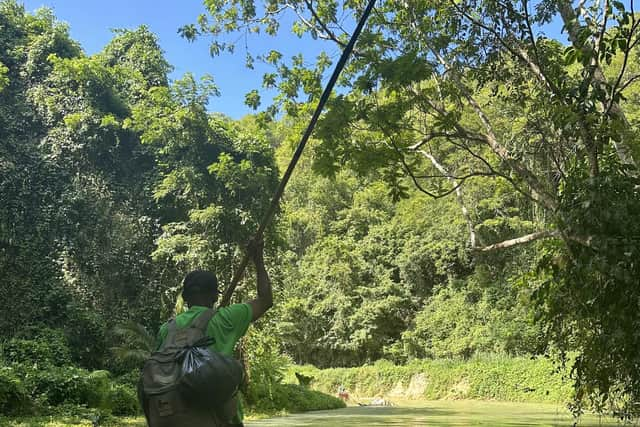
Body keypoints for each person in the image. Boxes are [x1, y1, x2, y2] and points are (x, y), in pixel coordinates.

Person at [143, 239, 273, 427]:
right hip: (222, 420)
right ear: (214, 296)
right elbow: (266, 299)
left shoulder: (167, 329)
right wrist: (258, 259)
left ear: (185, 297)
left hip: (178, 417)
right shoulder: (226, 318)